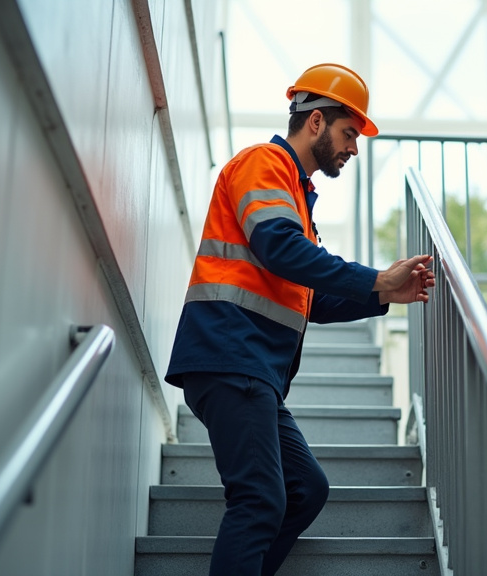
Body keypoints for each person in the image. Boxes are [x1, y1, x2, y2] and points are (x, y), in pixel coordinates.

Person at [163, 63, 435, 575]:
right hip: (231, 355)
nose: (354, 148)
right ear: (315, 122)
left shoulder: (297, 200)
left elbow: (311, 295)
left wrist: (384, 297)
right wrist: (374, 277)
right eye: (349, 132)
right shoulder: (264, 163)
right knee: (261, 500)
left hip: (253, 369)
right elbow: (277, 248)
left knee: (305, 489)